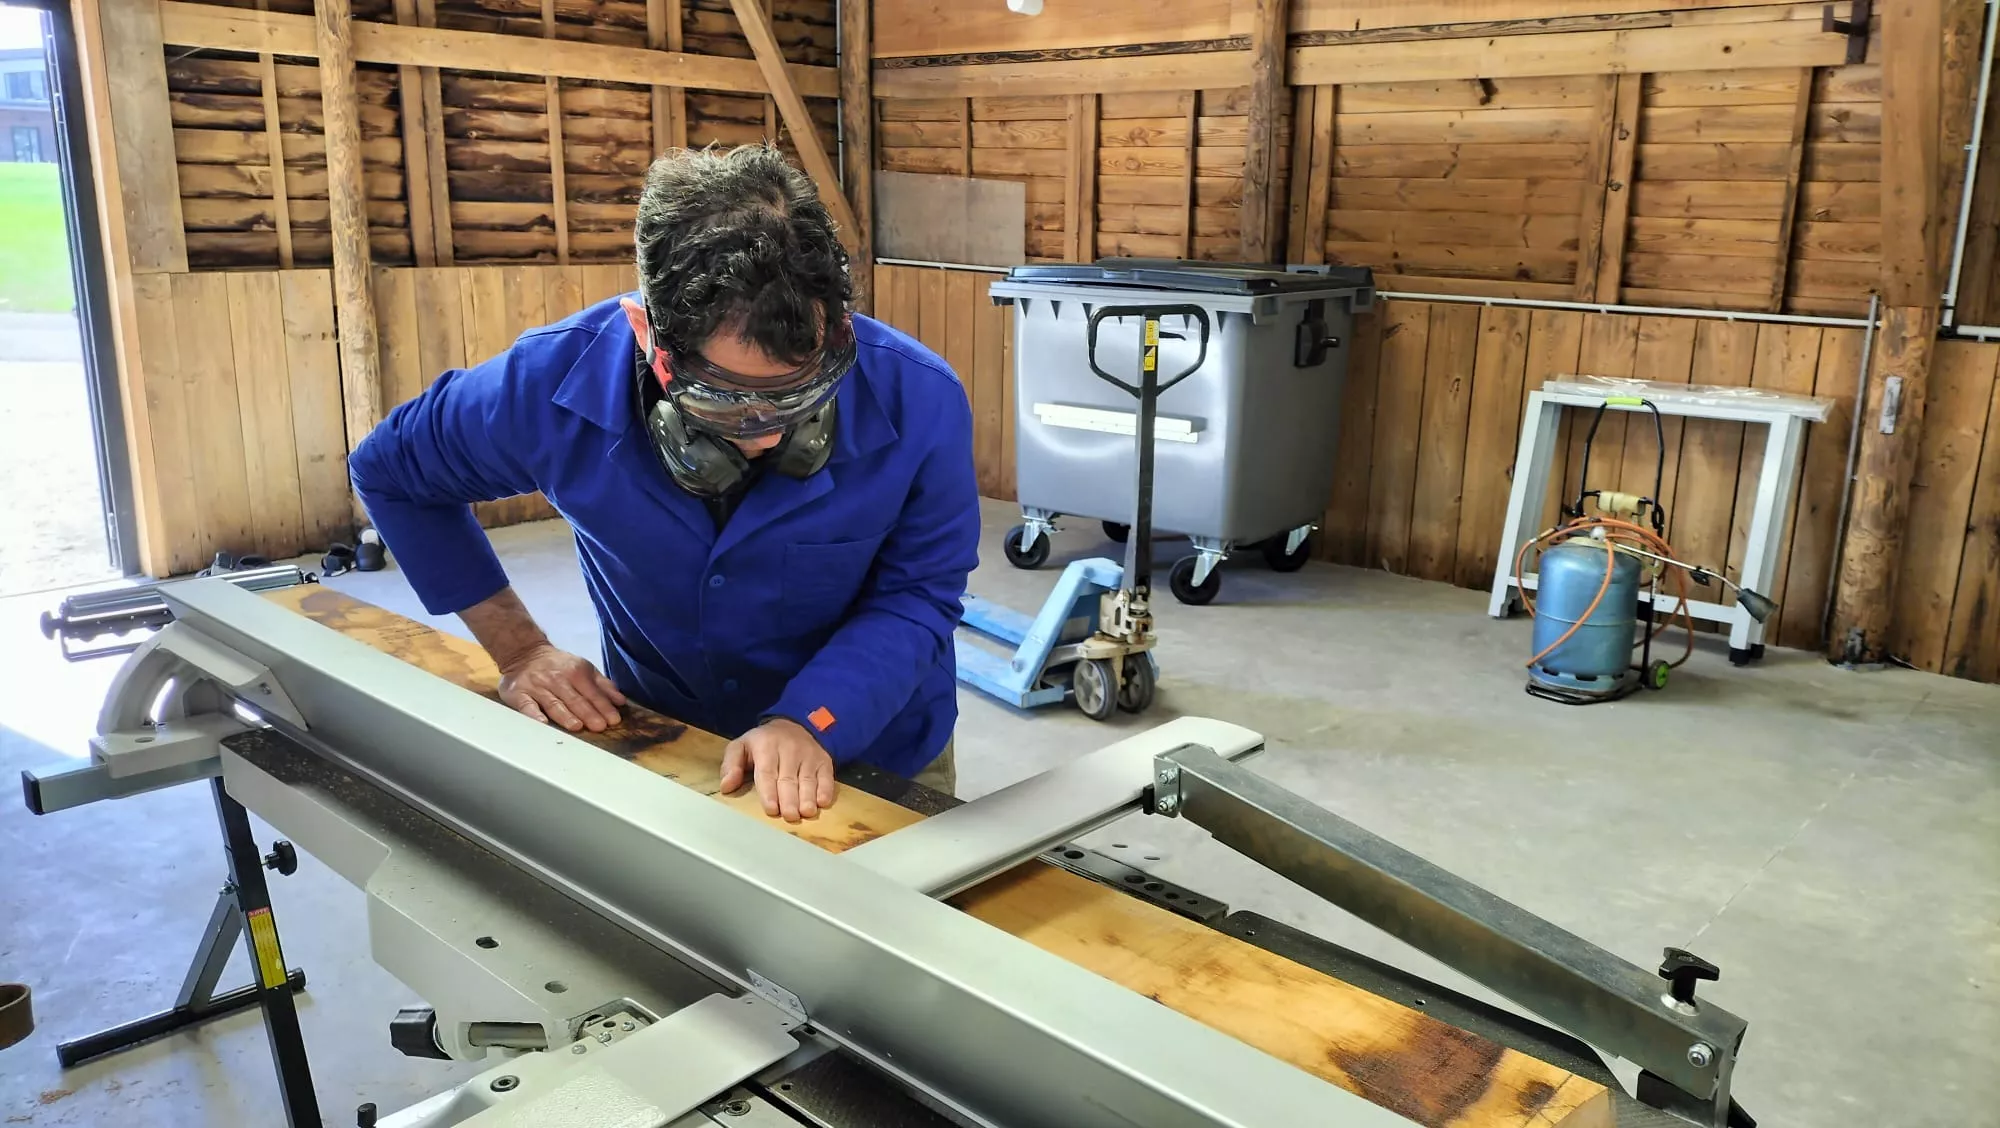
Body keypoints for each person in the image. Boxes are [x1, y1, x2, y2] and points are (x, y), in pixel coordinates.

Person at [348, 143, 981, 823]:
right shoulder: (547, 386)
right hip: (669, 743)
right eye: (726, 402)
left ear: (841, 330)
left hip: (873, 744)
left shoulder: (922, 400)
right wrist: (520, 648)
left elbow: (918, 596)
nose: (770, 436)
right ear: (647, 332)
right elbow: (390, 472)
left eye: (804, 399)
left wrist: (811, 720)